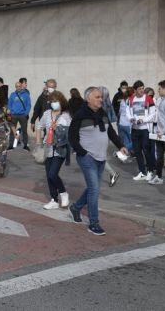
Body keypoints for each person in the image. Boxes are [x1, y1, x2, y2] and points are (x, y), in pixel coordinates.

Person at [68, 87, 127, 236]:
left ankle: (76, 208)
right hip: (87, 158)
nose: (101, 99)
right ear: (88, 99)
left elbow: (111, 132)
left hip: (101, 157)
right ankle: (93, 223)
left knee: (92, 188)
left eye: (101, 97)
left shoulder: (103, 113)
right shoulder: (80, 115)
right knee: (94, 189)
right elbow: (72, 137)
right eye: (97, 97)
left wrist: (121, 146)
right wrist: (82, 152)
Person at [36, 91, 72, 209]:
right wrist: (38, 143)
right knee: (48, 175)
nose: (53, 104)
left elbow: (70, 133)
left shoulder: (66, 116)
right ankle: (54, 200)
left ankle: (63, 193)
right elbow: (39, 127)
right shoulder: (47, 114)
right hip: (48, 147)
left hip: (60, 148)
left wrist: (58, 129)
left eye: (55, 101)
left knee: (53, 174)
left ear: (61, 101)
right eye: (51, 101)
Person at [127, 80, 156, 181]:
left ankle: (150, 171)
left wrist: (143, 120)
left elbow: (152, 114)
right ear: (135, 90)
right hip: (134, 129)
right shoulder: (130, 99)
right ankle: (142, 172)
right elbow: (128, 112)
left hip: (145, 130)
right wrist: (131, 119)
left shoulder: (148, 99)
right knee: (137, 151)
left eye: (143, 88)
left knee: (146, 151)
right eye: (139, 89)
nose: (142, 90)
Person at [8, 81, 32, 151]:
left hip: (22, 115)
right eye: (17, 86)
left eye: (19, 86)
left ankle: (25, 145)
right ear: (15, 87)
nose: (18, 88)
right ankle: (10, 145)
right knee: (12, 131)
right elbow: (9, 104)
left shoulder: (26, 95)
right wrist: (11, 112)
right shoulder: (12, 95)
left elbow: (28, 105)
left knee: (24, 131)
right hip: (14, 115)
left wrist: (26, 113)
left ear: (21, 86)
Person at [117, 86, 134, 153]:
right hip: (128, 124)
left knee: (126, 141)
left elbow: (120, 112)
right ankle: (120, 152)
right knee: (134, 142)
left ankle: (124, 155)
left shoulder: (122, 101)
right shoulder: (131, 101)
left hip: (121, 123)